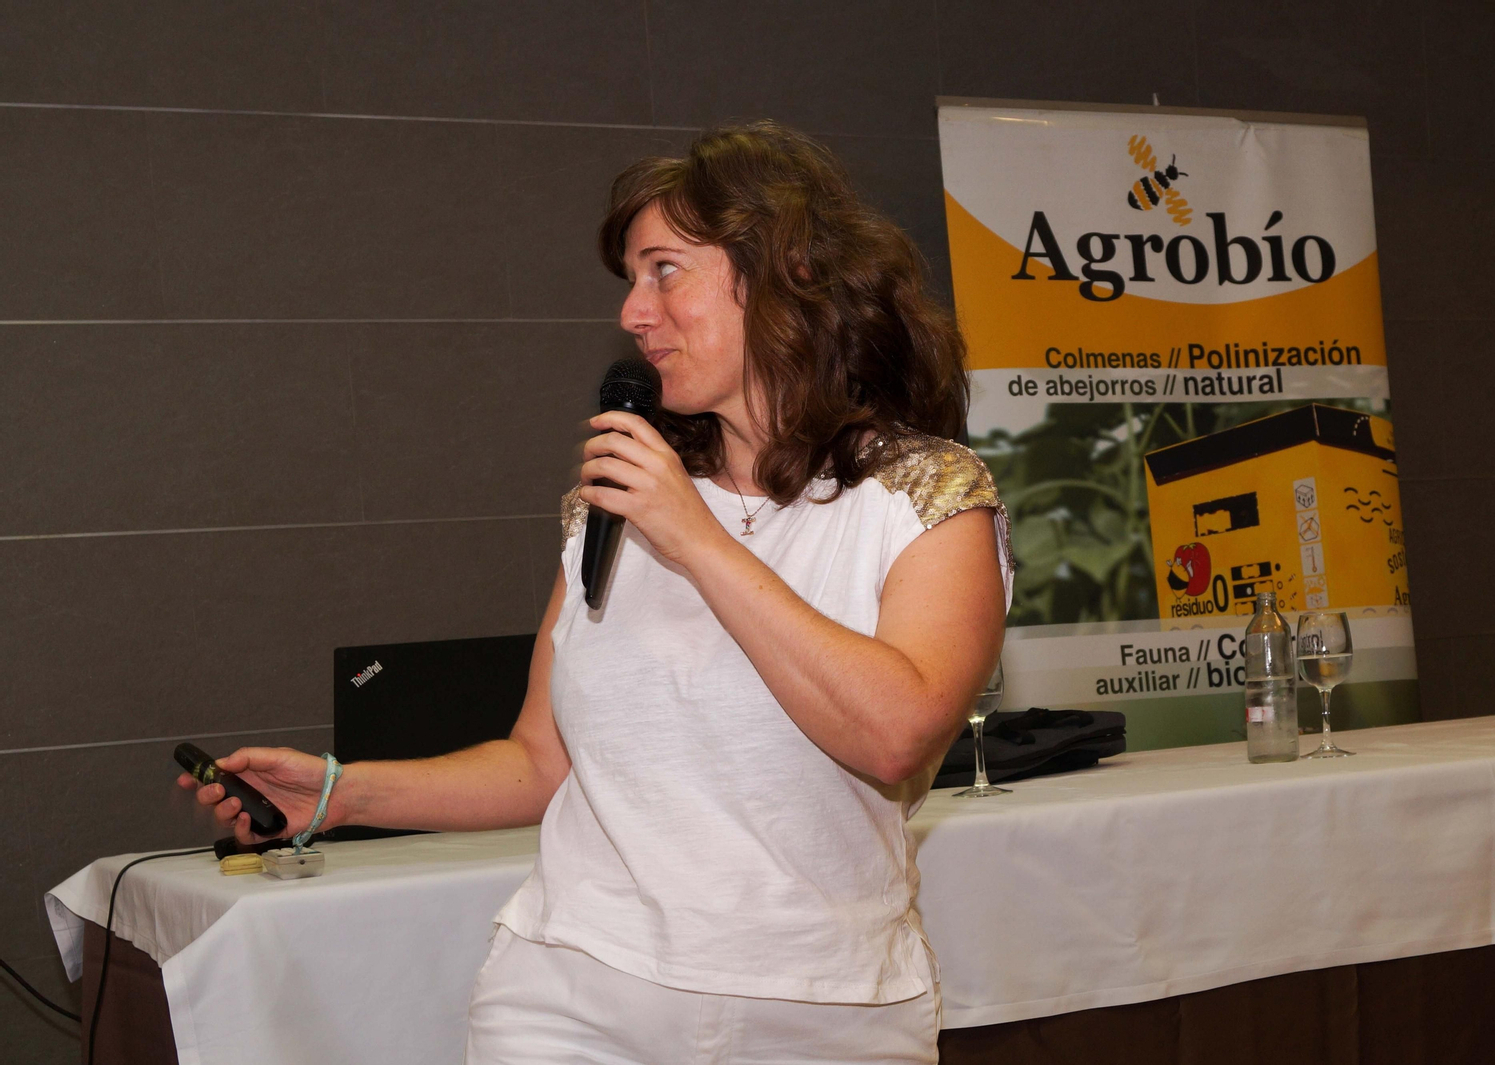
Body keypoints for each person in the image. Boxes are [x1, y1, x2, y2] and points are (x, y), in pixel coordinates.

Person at [181, 121, 1012, 1064]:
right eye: (630, 279)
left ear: (788, 273)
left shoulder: (927, 496)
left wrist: (696, 539)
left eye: (664, 271)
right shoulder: (612, 505)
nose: (633, 313)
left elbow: (896, 735)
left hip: (825, 1009)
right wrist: (340, 793)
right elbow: (541, 761)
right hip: (571, 995)